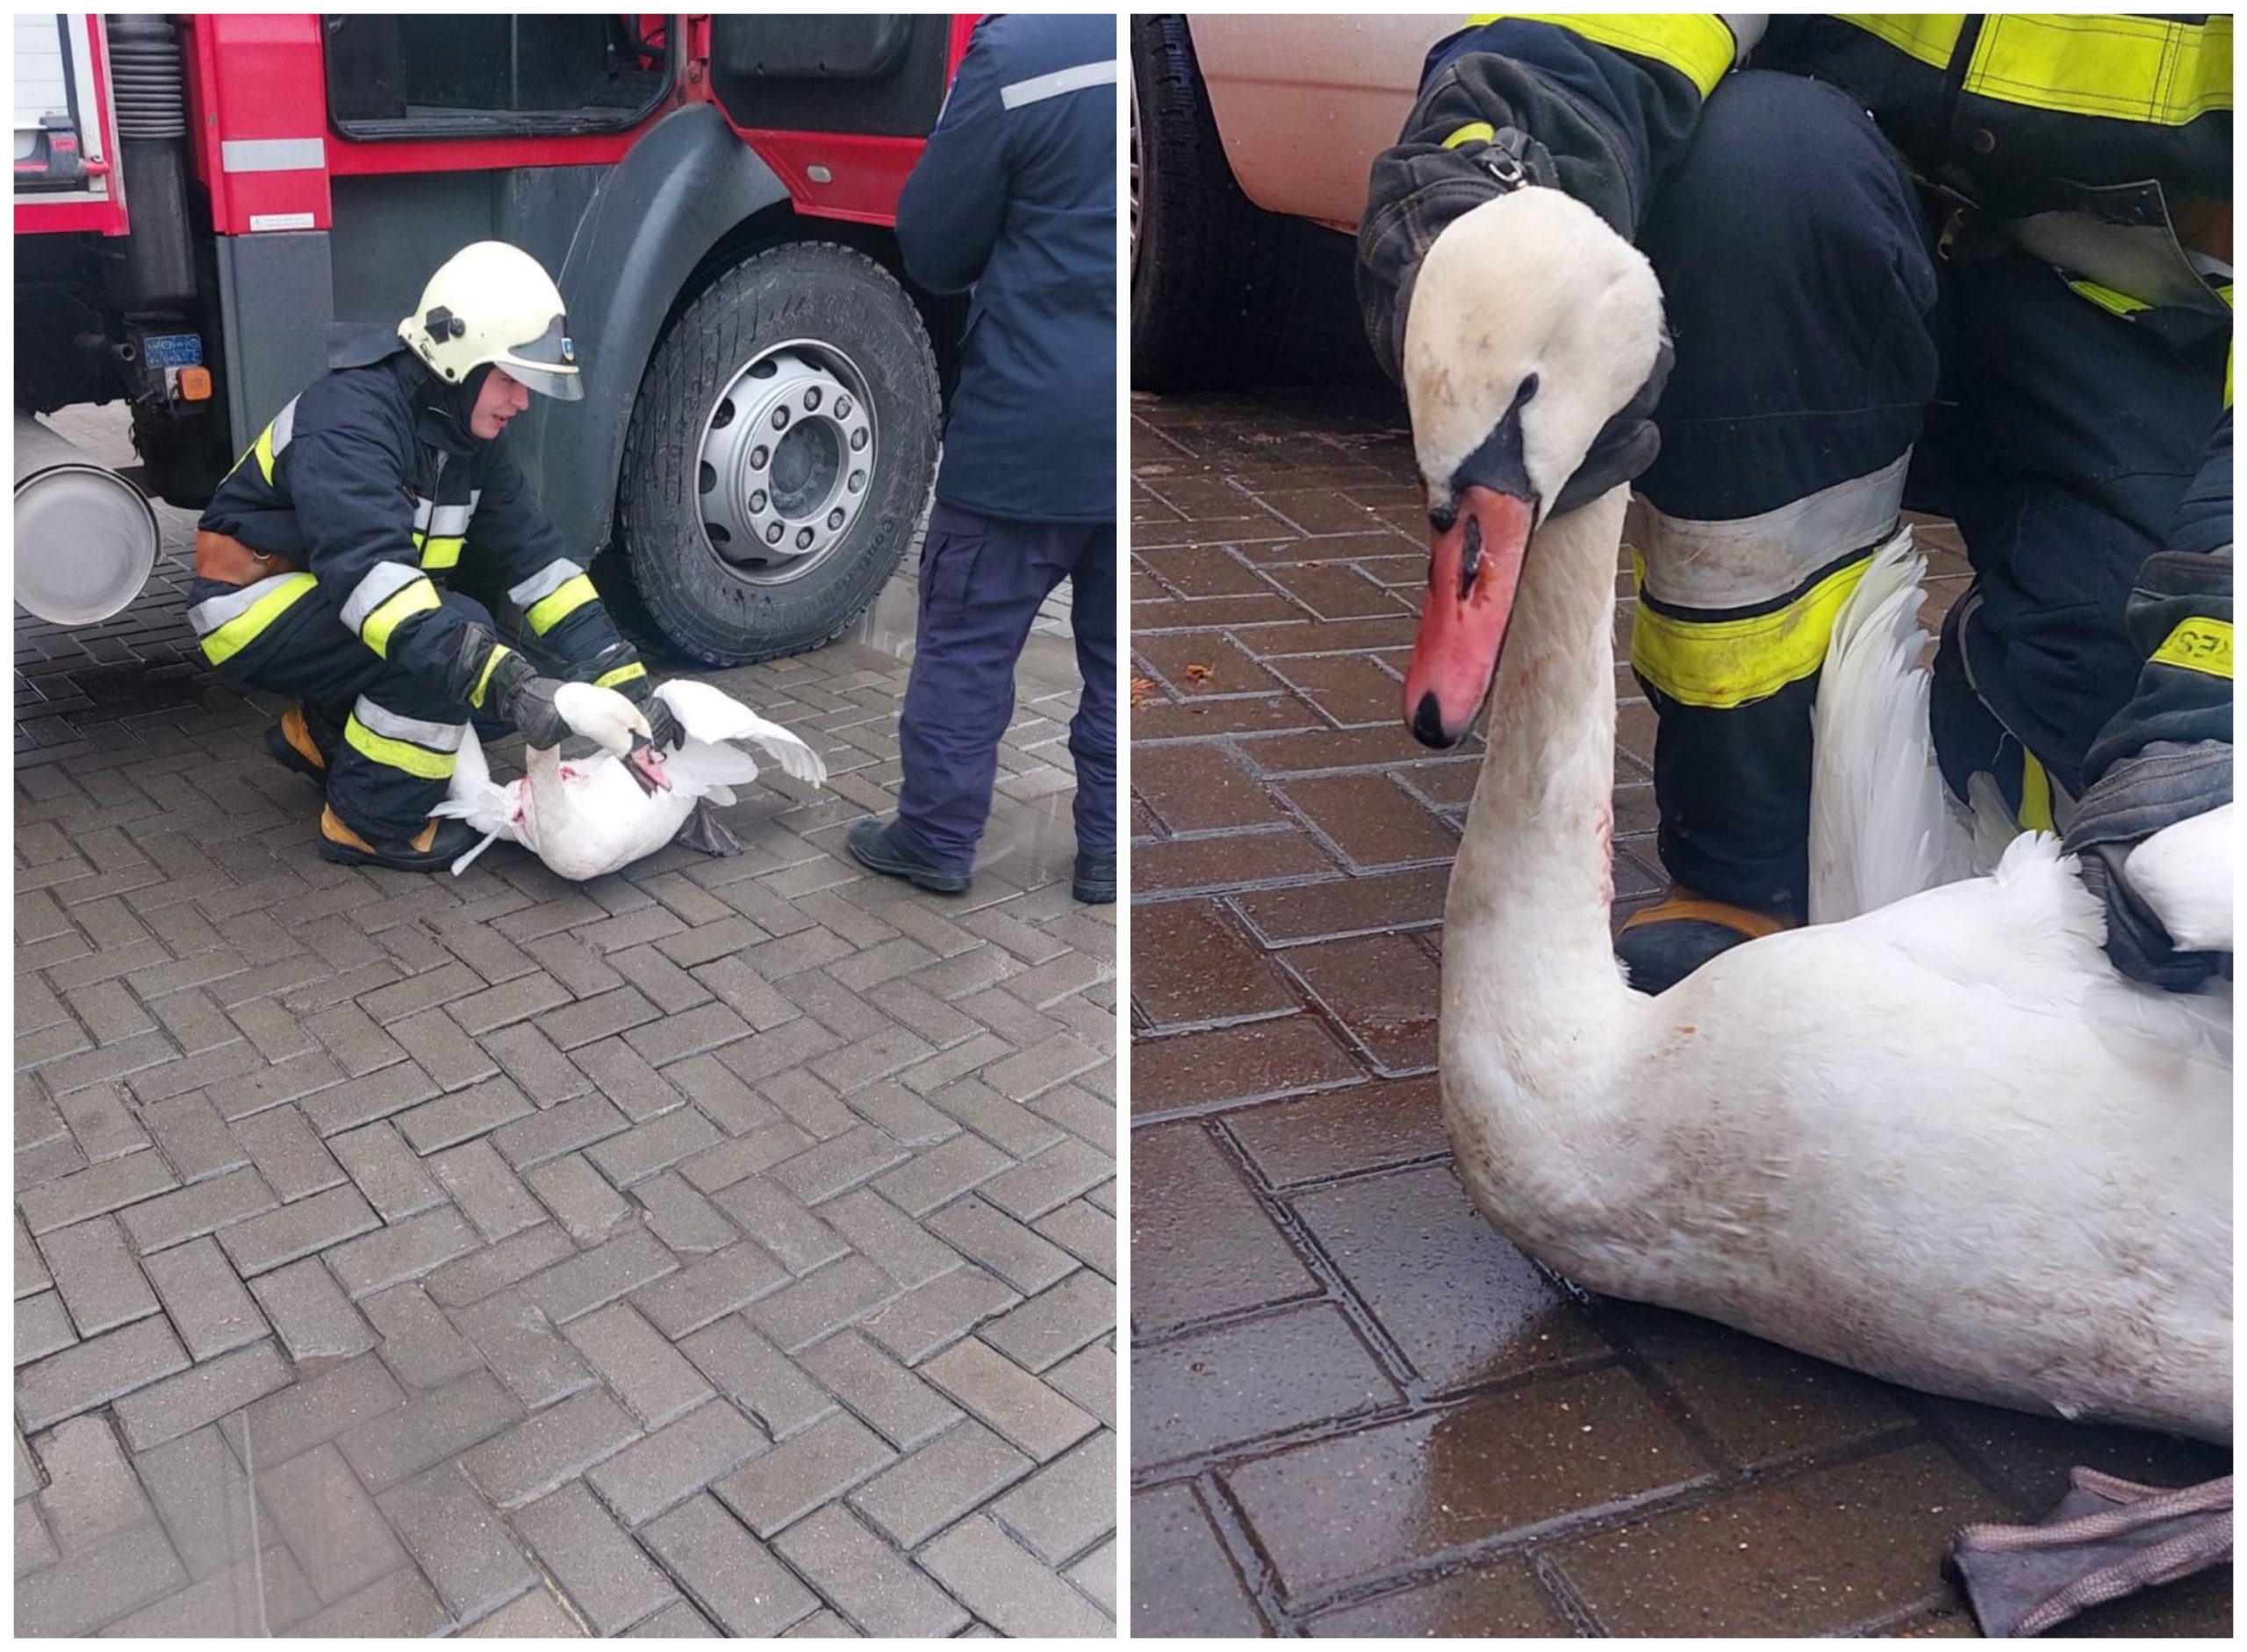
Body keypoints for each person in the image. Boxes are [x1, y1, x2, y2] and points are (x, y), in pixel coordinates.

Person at [1360, 14, 2231, 993]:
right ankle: (1746, 862)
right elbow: (1587, 28)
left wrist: (2216, 691)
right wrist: (1489, 169)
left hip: (2153, 356)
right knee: (1751, 167)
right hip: (1829, 274)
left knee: (2168, 815)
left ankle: (2010, 693)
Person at [190, 241, 680, 871]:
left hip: (327, 600)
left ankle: (320, 737)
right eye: (509, 379)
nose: (522, 402)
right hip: (248, 607)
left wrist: (626, 687)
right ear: (458, 361)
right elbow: (377, 590)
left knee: (496, 675)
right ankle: (367, 824)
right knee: (462, 653)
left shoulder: (466, 435)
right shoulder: (350, 423)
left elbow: (541, 568)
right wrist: (508, 683)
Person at [846, 13, 1119, 903]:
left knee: (967, 643)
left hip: (1025, 428)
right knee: (1117, 663)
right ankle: (1107, 852)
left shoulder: (1021, 52)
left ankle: (934, 838)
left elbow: (935, 243)